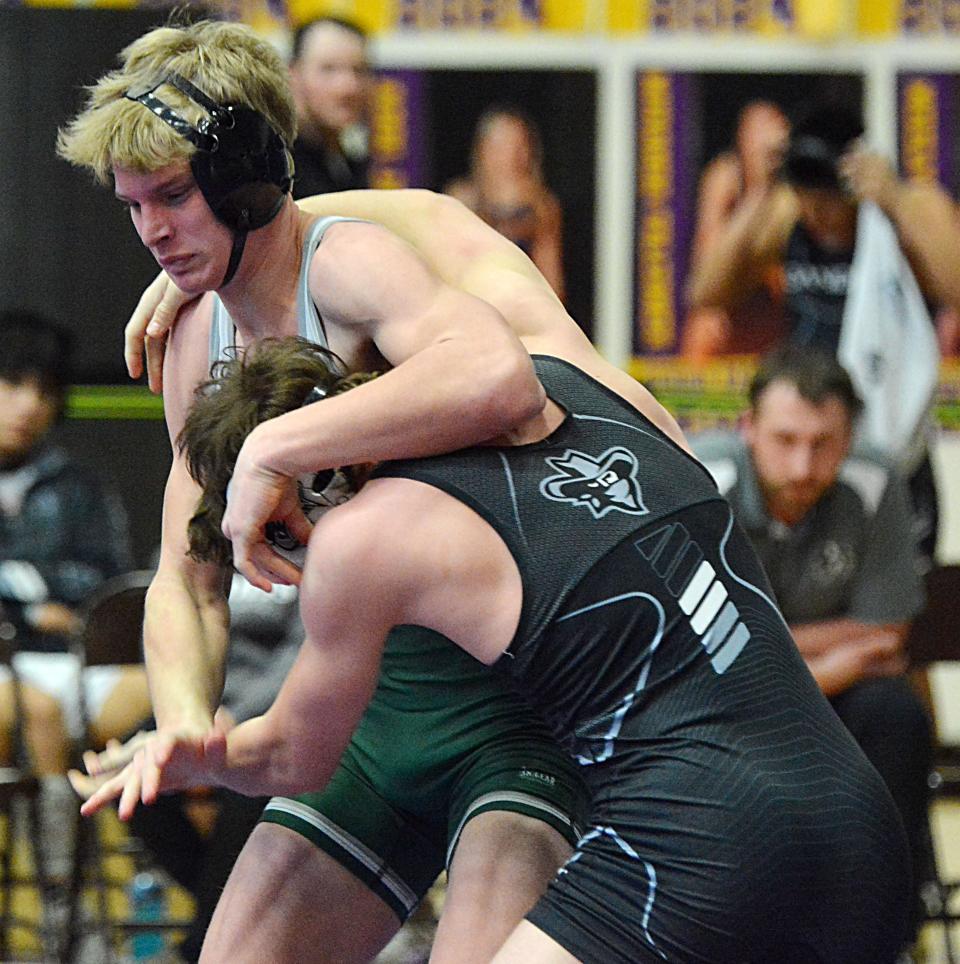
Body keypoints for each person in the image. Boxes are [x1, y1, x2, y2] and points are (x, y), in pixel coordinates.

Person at [85, 332, 911, 963]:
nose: (287, 566)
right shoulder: (556, 375)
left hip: (699, 837)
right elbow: (444, 241)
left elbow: (292, 760)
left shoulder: (364, 540)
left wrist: (197, 752)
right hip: (860, 824)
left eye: (276, 541)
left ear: (293, 484)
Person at [57, 20, 596, 962]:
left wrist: (275, 445)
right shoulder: (197, 341)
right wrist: (185, 718)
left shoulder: (352, 266)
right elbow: (187, 580)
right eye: (133, 204)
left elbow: (498, 375)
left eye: (175, 196)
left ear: (248, 178)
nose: (151, 232)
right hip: (368, 705)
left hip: (522, 699)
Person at [691, 346, 934, 945]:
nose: (803, 465)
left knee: (898, 715)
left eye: (824, 443)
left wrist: (762, 637)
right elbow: (698, 651)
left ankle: (882, 938)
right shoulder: (701, 478)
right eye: (785, 439)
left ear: (851, 436)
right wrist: (837, 659)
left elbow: (888, 634)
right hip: (725, 696)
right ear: (747, 428)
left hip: (828, 694)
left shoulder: (876, 481)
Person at [686, 105, 959, 567]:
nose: (818, 211)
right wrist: (760, 195)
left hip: (883, 419)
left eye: (829, 196)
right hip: (811, 414)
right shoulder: (785, 215)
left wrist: (894, 201)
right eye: (806, 194)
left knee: (903, 565)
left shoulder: (909, 206)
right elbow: (705, 292)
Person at [0, 309, 147, 878]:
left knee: (198, 704)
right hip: (15, 676)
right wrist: (36, 599)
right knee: (31, 708)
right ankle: (63, 897)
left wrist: (19, 590)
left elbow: (107, 587)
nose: (30, 405)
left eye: (44, 390)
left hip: (73, 666)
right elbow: (61, 592)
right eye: (13, 384)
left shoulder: (77, 484)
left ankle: (193, 897)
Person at [682, 99, 790, 360]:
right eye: (759, 131)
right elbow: (706, 271)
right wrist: (757, 193)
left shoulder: (788, 194)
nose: (766, 144)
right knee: (705, 324)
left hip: (769, 311)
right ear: (742, 139)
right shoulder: (725, 177)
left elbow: (786, 278)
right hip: (725, 307)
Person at [445, 106, 565, 300]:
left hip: (521, 304)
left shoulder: (541, 205)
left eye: (520, 145)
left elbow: (551, 277)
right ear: (484, 150)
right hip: (471, 302)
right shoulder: (461, 199)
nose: (514, 155)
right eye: (504, 146)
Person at [288, 16, 371, 199]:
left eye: (359, 70)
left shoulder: (348, 161)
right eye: (329, 69)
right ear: (293, 75)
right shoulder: (274, 165)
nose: (349, 87)